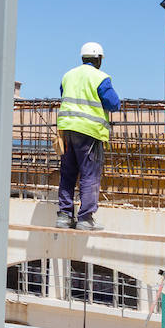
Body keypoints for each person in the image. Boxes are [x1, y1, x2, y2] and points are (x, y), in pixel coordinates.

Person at [55, 42, 121, 231]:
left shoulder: (68, 75)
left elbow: (64, 96)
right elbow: (113, 103)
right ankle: (85, 218)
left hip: (66, 129)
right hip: (90, 131)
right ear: (99, 59)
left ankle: (64, 217)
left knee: (67, 173)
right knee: (89, 175)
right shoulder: (101, 77)